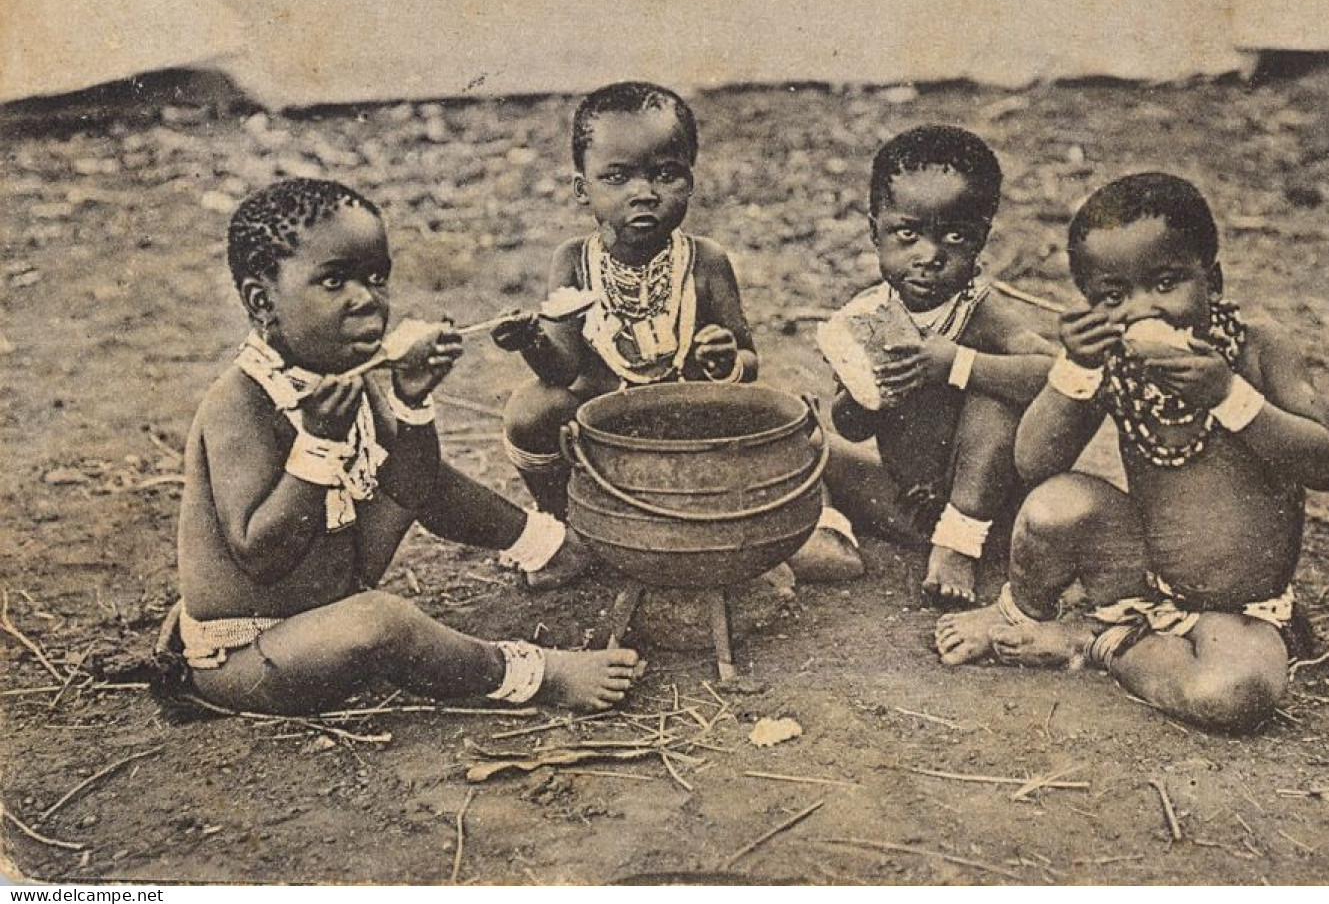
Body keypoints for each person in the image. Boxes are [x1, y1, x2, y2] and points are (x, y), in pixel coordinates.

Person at [175, 179, 641, 715]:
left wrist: (412, 404)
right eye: (334, 281)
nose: (366, 300)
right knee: (384, 621)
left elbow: (417, 488)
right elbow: (261, 556)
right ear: (263, 302)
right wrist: (320, 444)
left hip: (330, 602)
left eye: (376, 278)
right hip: (254, 655)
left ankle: (547, 549)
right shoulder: (241, 404)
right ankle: (534, 675)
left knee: (417, 472)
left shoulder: (349, 372)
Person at [935, 172, 1329, 732]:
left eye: (1166, 282)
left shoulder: (1256, 347)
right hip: (1142, 572)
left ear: (1214, 279)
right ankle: (1022, 614)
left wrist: (1228, 395)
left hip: (1237, 608)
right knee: (1053, 505)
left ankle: (1096, 641)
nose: (1141, 309)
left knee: (1236, 692)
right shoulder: (1112, 364)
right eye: (1113, 296)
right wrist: (1075, 371)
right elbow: (1034, 464)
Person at [495, 82, 787, 586]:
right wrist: (531, 341)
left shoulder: (706, 263)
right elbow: (562, 369)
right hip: (602, 418)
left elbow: (748, 361)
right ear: (582, 189)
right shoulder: (573, 262)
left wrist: (724, 360)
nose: (643, 193)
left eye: (665, 174)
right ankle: (560, 529)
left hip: (687, 420)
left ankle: (701, 528)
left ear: (691, 182)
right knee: (531, 408)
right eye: (617, 177)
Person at [810, 125, 1053, 605]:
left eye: (955, 236)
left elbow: (1053, 372)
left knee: (994, 396)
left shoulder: (979, 311)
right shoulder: (868, 317)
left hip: (989, 514)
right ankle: (828, 533)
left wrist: (957, 364)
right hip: (911, 504)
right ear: (875, 231)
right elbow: (852, 428)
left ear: (981, 239)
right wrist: (868, 395)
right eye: (907, 233)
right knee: (812, 442)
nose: (929, 255)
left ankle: (957, 546)